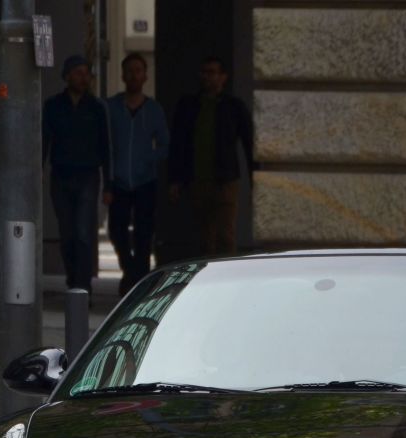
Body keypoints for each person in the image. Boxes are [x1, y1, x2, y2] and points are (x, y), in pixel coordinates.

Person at [168, 56, 254, 256]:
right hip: (197, 179)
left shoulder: (233, 106)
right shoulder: (189, 105)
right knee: (203, 237)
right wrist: (175, 179)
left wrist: (255, 177)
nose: (207, 77)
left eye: (212, 73)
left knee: (225, 234)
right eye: (204, 72)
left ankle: (228, 279)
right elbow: (178, 144)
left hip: (225, 180)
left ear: (223, 77)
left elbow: (250, 142)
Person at [43, 54, 112, 296]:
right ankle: (73, 279)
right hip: (61, 176)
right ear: (68, 76)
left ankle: (83, 287)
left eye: (87, 73)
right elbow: (44, 143)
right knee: (67, 234)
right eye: (79, 73)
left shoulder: (96, 108)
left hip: (88, 177)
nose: (85, 78)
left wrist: (108, 184)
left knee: (84, 233)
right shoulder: (53, 106)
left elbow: (105, 148)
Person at [105, 53, 170, 296]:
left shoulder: (153, 109)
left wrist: (147, 158)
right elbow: (105, 144)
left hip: (145, 181)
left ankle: (137, 281)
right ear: (123, 75)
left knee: (144, 233)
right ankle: (130, 270)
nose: (133, 75)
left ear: (145, 76)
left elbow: (164, 144)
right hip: (119, 182)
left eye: (138, 70)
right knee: (117, 230)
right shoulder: (111, 107)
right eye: (129, 70)